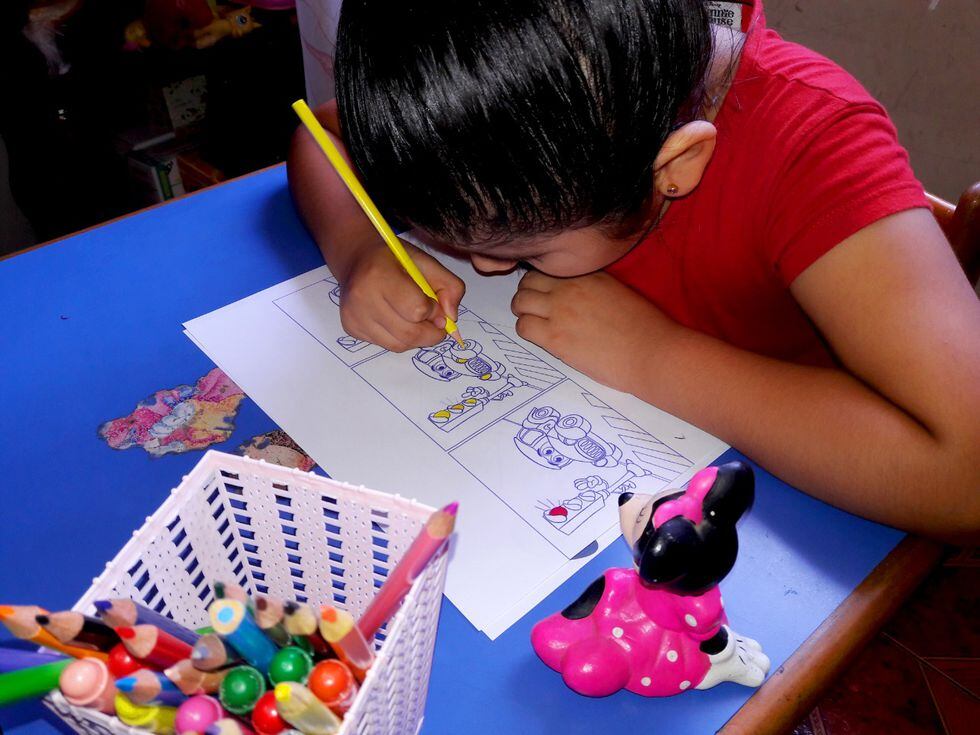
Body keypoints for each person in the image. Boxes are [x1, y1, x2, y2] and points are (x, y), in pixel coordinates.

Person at [287, 0, 980, 544]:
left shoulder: (810, 144)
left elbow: (965, 478)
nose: (487, 267)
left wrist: (656, 357)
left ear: (673, 167)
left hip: (788, 520)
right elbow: (319, 137)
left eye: (522, 248)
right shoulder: (495, 88)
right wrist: (360, 249)